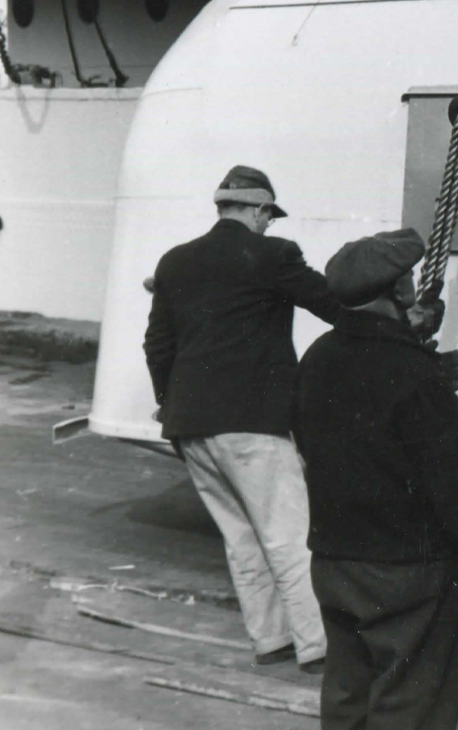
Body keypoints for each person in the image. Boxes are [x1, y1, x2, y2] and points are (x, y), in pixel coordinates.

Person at [293, 228, 458, 730]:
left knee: (347, 704)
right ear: (399, 290)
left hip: (334, 563)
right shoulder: (416, 376)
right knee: (410, 718)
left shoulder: (317, 358)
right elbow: (456, 486)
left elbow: (347, 423)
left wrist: (419, 361)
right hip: (406, 575)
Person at [143, 165, 340, 673]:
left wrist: (169, 401)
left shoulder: (174, 261)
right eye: (269, 216)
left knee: (242, 538)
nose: (269, 224)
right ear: (258, 210)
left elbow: (157, 344)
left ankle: (270, 640)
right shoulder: (273, 255)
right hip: (253, 422)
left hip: (190, 425)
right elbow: (332, 304)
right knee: (289, 536)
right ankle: (319, 646)